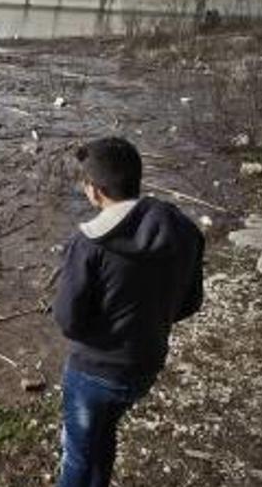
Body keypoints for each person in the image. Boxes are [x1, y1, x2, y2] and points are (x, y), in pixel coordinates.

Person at [52, 137, 204, 487]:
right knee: (103, 435)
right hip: (146, 365)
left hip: (95, 371)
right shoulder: (183, 230)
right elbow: (190, 302)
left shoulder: (90, 243)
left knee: (78, 454)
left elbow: (68, 320)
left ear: (95, 191)